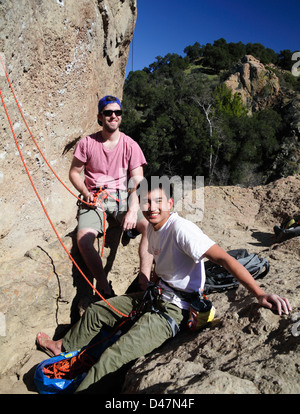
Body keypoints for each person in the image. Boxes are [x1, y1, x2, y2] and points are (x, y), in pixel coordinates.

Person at [36, 177, 291, 393]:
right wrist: (152, 281)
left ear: (170, 204)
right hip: (156, 295)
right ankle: (63, 346)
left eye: (158, 202)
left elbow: (224, 258)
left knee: (113, 357)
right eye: (146, 202)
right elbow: (163, 261)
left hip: (173, 310)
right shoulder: (155, 228)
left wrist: (259, 293)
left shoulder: (181, 229)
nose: (151, 207)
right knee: (97, 311)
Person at [69, 95, 153, 298]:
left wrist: (133, 211)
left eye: (117, 112)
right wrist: (86, 193)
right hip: (95, 197)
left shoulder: (130, 145)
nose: (113, 116)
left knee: (150, 228)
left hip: (121, 196)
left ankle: (144, 279)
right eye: (108, 113)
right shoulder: (87, 143)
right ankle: (104, 287)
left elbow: (138, 180)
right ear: (100, 116)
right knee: (83, 240)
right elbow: (74, 172)